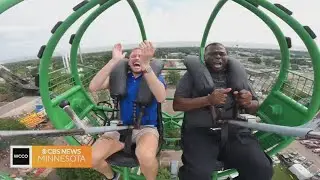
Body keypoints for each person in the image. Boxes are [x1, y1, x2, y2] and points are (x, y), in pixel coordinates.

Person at [173, 42, 273, 180]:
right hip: (201, 132)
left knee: (262, 169)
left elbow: (254, 107)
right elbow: (177, 104)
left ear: (227, 57)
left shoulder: (237, 77)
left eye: (222, 54)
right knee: (197, 175)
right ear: (205, 58)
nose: (218, 57)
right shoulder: (192, 76)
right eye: (212, 54)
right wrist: (208, 100)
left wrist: (248, 102)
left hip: (234, 131)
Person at [89, 41, 166, 180]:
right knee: (90, 158)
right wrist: (114, 61)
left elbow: (161, 97)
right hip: (120, 127)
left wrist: (146, 67)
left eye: (141, 56)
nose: (137, 58)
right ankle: (112, 177)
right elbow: (93, 87)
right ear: (128, 62)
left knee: (146, 157)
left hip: (146, 128)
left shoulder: (155, 78)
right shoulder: (121, 79)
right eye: (133, 56)